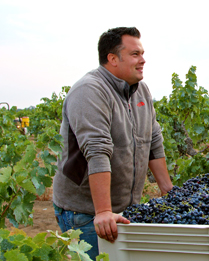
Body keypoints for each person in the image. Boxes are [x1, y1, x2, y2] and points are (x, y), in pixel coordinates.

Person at [52, 27, 173, 260]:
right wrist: (104, 211)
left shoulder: (141, 90)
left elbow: (154, 140)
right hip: (87, 213)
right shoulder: (90, 90)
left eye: (142, 53)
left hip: (124, 209)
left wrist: (168, 191)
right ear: (112, 59)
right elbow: (97, 151)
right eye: (135, 54)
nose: (143, 60)